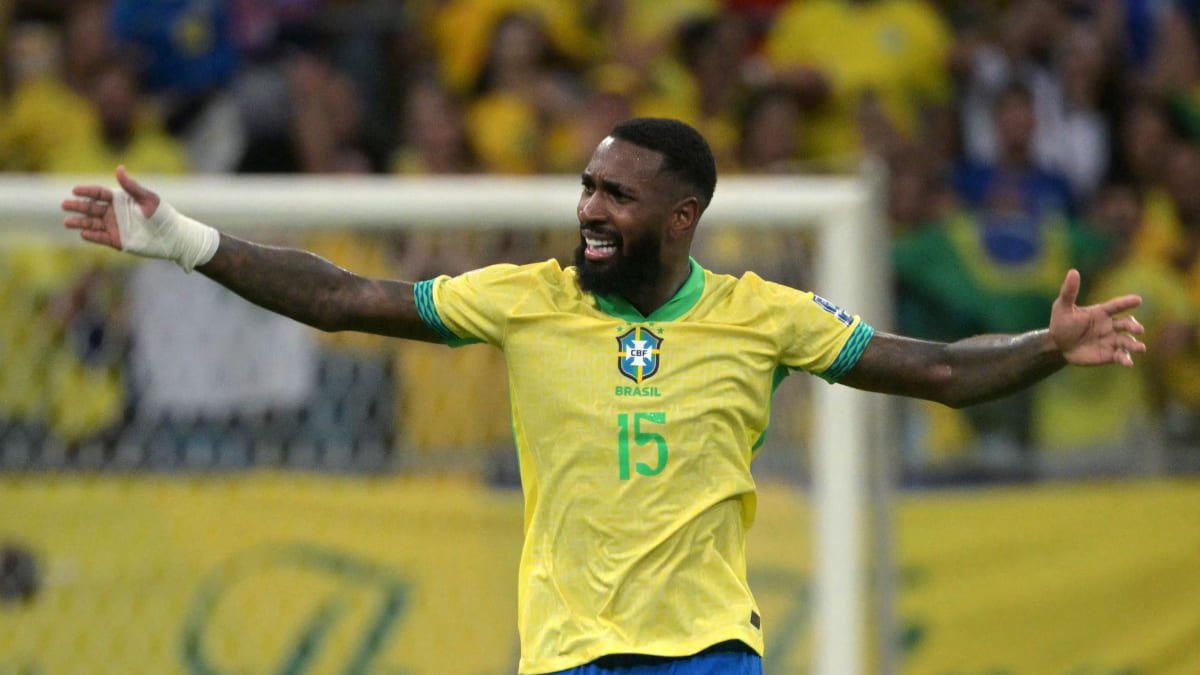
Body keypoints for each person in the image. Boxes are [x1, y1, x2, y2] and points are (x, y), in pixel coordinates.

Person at [60, 118, 1145, 675]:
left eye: (616, 196)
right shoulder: (524, 300)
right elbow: (345, 298)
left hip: (710, 653)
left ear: (681, 219)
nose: (589, 208)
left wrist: (1048, 348)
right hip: (570, 654)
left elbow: (943, 372)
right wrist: (186, 242)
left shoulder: (761, 315)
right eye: (587, 186)